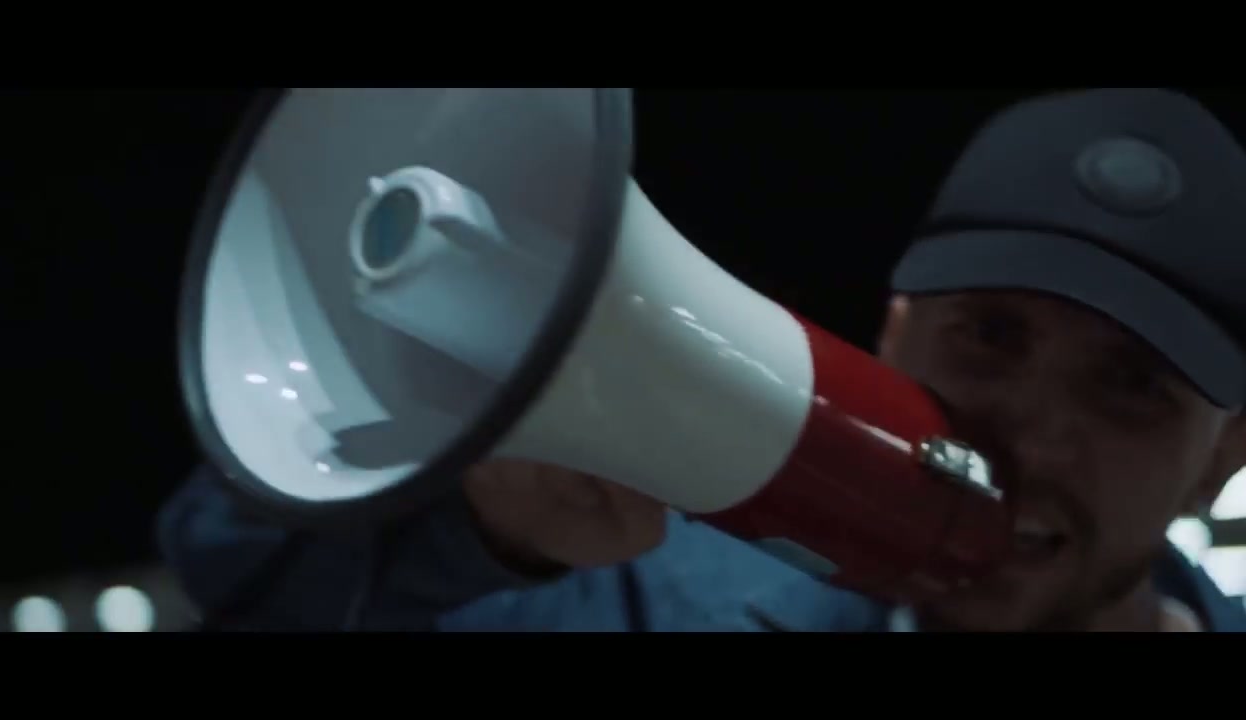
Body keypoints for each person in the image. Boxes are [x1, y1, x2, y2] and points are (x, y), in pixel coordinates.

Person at [159, 87, 1246, 632]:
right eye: (990, 334)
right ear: (894, 331)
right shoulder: (662, 594)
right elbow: (232, 562)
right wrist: (478, 528)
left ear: (1220, 459)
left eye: (1130, 387)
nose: (1031, 439)